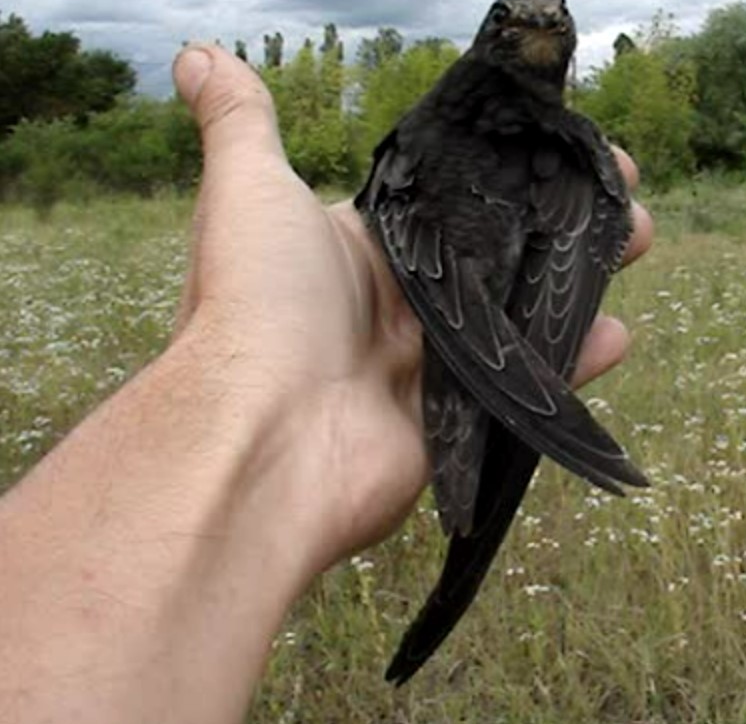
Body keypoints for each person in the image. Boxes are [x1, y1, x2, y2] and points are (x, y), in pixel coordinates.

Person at [0, 44, 653, 724]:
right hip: (438, 303)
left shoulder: (564, 146)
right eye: (512, 27)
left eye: (552, 28)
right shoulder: (431, 129)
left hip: (462, 308)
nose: (533, 37)